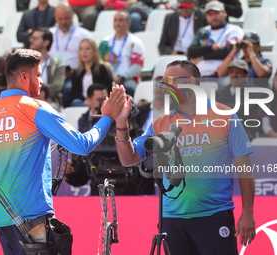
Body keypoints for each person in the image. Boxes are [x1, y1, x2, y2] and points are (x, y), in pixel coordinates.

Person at [0, 48, 126, 254]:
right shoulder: (35, 108)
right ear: (24, 76)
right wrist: (107, 117)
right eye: (38, 75)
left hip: (3, 221)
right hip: (34, 219)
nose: (40, 82)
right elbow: (81, 145)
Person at [114, 60, 255, 254]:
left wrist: (247, 213)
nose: (164, 87)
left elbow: (245, 168)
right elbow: (128, 159)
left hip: (214, 216)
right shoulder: (159, 123)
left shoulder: (226, 116)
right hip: (172, 220)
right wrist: (121, 123)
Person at [65, 83, 154, 195]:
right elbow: (80, 178)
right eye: (113, 120)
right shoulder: (97, 139)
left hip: (135, 201)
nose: (115, 126)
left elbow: (149, 177)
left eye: (123, 118)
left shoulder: (142, 139)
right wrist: (68, 173)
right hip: (100, 203)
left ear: (131, 118)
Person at [187, 1, 243, 84]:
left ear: (225, 13)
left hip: (223, 75)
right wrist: (210, 48)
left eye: (216, 13)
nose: (213, 17)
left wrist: (201, 57)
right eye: (210, 14)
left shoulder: (234, 30)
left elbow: (227, 51)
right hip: (200, 76)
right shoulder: (203, 31)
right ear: (206, 16)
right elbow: (191, 51)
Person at [99, 10, 144, 97]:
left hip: (127, 79)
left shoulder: (135, 42)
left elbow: (137, 66)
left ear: (129, 23)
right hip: (107, 78)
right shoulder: (105, 42)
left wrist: (122, 77)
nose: (117, 23)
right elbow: (99, 62)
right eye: (115, 20)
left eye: (121, 20)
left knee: (129, 88)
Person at [215, 59, 260, 141]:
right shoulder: (219, 92)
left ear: (246, 75)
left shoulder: (254, 92)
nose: (234, 75)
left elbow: (244, 111)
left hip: (244, 131)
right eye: (231, 72)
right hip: (222, 132)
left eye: (238, 72)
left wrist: (223, 107)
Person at [67, 38, 113, 107]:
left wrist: (94, 101)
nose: (84, 52)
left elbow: (108, 89)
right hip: (83, 102)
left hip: (99, 102)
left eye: (87, 49)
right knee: (76, 102)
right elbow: (75, 93)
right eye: (81, 49)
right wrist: (86, 100)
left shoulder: (103, 68)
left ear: (94, 52)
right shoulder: (77, 72)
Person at [29, 27, 65, 110]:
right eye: (31, 37)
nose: (31, 40)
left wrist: (36, 90)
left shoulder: (58, 65)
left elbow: (56, 87)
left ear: (46, 42)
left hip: (49, 103)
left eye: (35, 38)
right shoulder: (25, 64)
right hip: (28, 101)